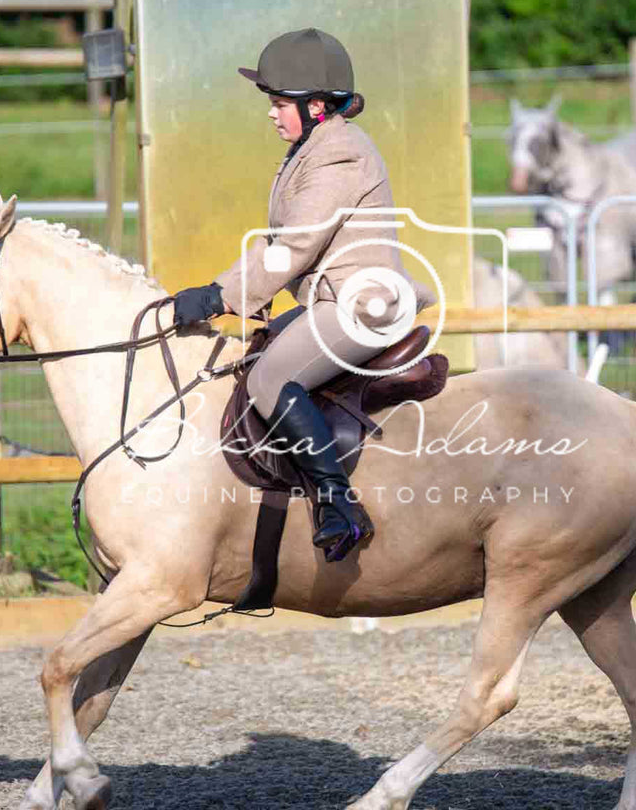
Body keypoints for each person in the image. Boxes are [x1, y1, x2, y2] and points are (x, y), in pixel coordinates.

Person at [169, 27, 436, 563]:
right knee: (255, 356)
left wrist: (221, 296)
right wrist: (219, 290)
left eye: (278, 103)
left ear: (316, 105)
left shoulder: (339, 155)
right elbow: (275, 244)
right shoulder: (311, 148)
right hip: (331, 301)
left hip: (361, 306)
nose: (271, 113)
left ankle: (339, 507)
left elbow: (294, 246)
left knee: (272, 378)